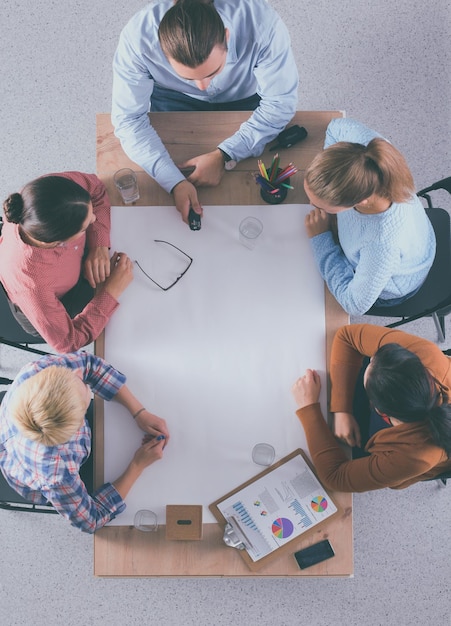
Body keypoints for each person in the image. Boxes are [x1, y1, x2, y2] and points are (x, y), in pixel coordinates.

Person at [111, 0, 298, 225]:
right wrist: (173, 181)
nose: (203, 87)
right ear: (161, 50)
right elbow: (129, 120)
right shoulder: (136, 40)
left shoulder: (263, 25)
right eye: (188, 77)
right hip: (174, 96)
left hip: (244, 96)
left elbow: (279, 104)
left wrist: (225, 154)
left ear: (227, 37)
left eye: (213, 71)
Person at [0, 351, 170, 533]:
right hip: (26, 470)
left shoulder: (37, 372)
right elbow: (92, 519)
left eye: (79, 382)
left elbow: (89, 366)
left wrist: (139, 412)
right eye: (85, 399)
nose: (88, 387)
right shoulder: (57, 474)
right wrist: (137, 465)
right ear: (76, 428)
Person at [291, 324, 451, 492]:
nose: (370, 361)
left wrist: (308, 406)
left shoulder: (415, 455)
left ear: (380, 412)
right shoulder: (425, 353)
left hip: (416, 452)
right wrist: (341, 409)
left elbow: (336, 477)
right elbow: (347, 335)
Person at [304, 118, 436, 316]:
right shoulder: (365, 152)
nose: (309, 206)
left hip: (394, 286)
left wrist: (321, 239)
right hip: (413, 241)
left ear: (361, 201)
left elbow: (354, 305)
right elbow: (334, 127)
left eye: (317, 205)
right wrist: (330, 168)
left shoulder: (381, 244)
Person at [0, 171, 133, 353]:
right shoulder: (33, 287)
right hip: (51, 308)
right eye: (86, 227)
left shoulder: (53, 191)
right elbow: (68, 343)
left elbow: (96, 188)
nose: (94, 219)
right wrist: (111, 292)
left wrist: (99, 245)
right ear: (58, 243)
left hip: (68, 271)